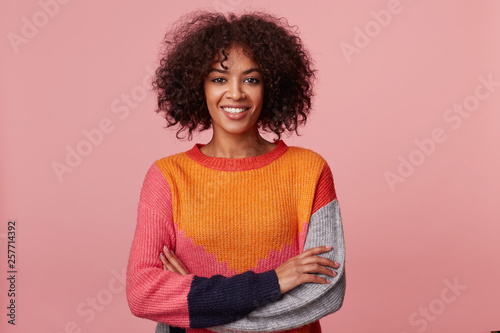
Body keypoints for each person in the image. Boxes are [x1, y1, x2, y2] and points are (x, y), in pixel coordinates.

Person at [126, 9, 346, 333]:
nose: (235, 93)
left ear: (270, 87)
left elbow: (324, 294)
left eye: (251, 79)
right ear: (197, 86)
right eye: (219, 78)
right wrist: (272, 282)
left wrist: (201, 304)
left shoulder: (309, 171)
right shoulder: (167, 177)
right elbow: (142, 293)